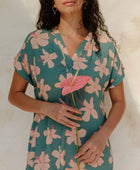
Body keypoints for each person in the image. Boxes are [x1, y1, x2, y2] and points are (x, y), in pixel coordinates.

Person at [8, 0, 126, 169]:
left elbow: (119, 101)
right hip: (47, 154)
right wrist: (46, 108)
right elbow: (14, 95)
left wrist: (103, 137)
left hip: (92, 155)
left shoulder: (104, 46)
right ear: (52, 3)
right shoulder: (35, 43)